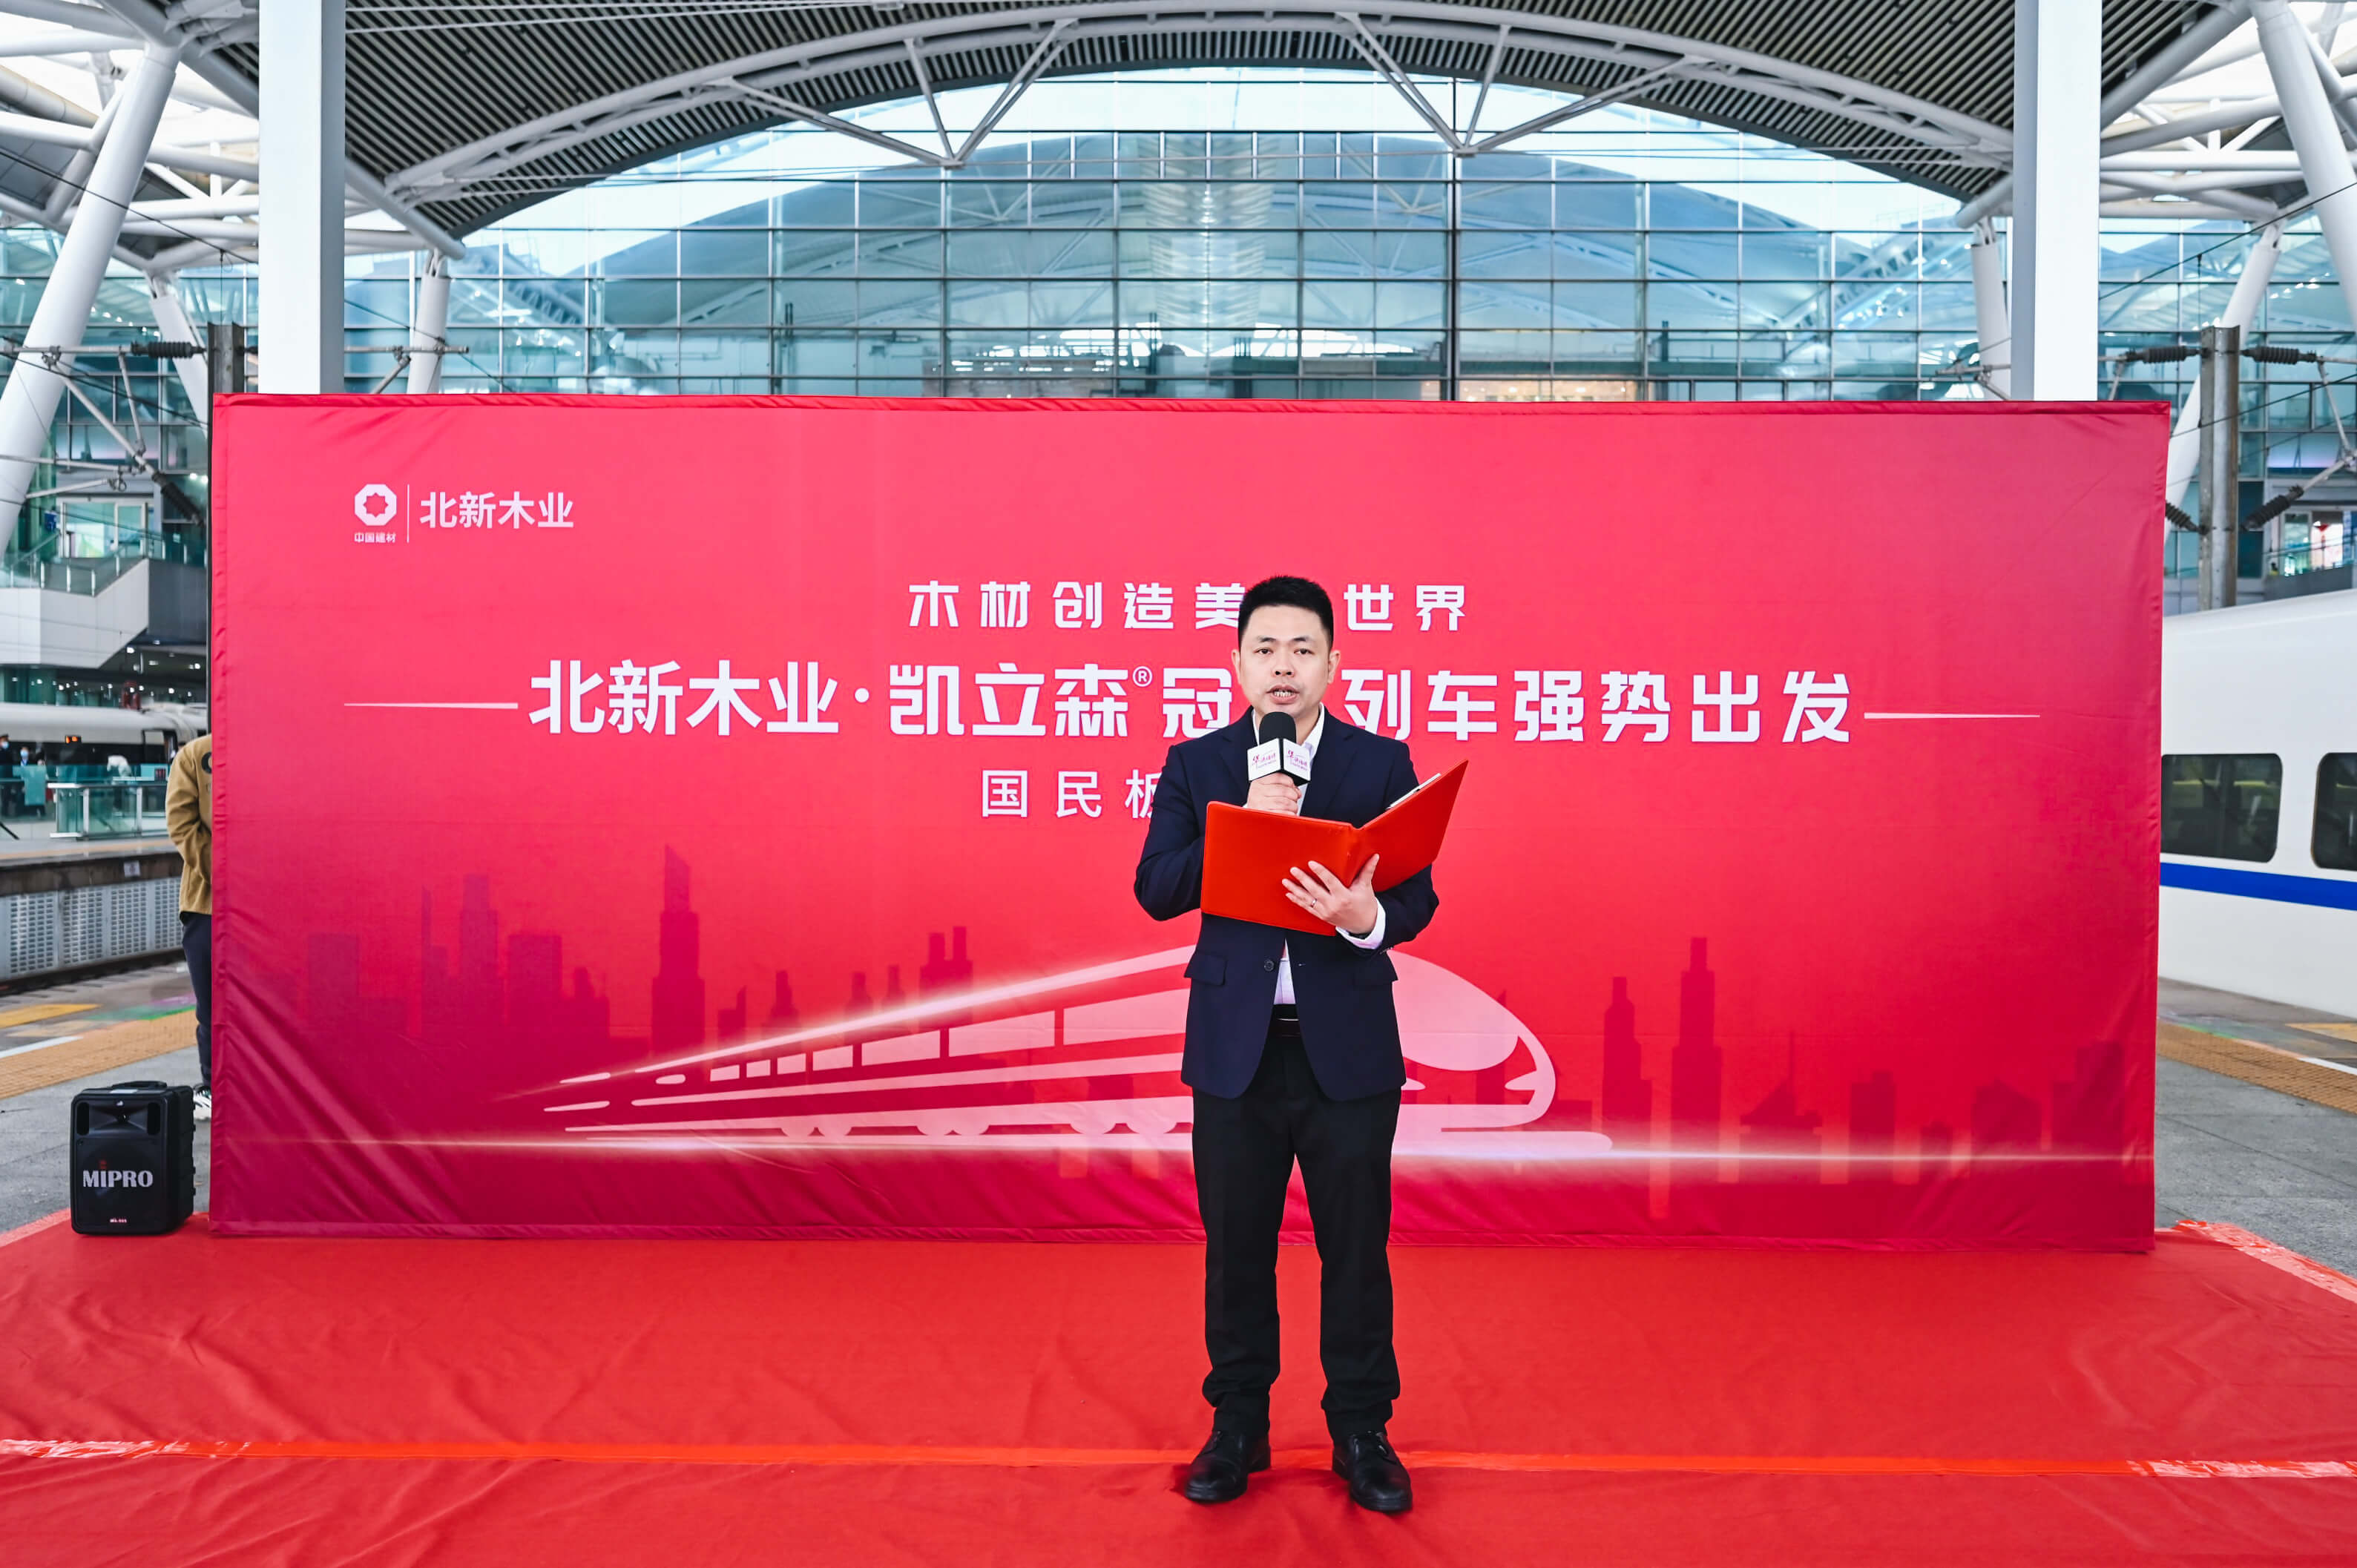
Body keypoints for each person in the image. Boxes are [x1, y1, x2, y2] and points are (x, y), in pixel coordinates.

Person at [1134, 576, 1438, 1514]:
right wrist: (1247, 823)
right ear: (1236, 662)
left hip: (1347, 1048)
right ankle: (1236, 1425)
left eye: (1302, 649)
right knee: (1237, 1247)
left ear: (1333, 663)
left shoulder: (1379, 762)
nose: (1282, 666)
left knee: (1357, 1247)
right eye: (1264, 648)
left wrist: (1364, 916)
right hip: (1238, 1051)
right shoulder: (1200, 765)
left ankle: (1362, 1429)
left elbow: (1418, 895)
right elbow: (1157, 886)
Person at [165, 733, 213, 1121]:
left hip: (268, 903)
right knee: (211, 1006)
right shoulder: (196, 755)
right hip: (207, 903)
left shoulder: (278, 751)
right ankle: (213, 1085)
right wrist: (229, 871)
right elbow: (181, 824)